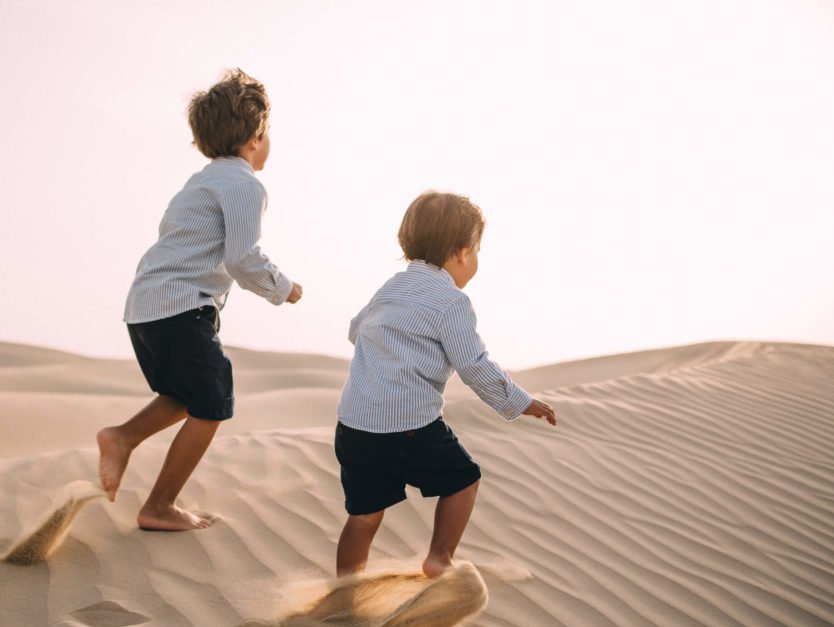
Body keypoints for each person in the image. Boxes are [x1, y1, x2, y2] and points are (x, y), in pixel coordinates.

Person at [97, 69, 302, 531]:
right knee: (213, 403)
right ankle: (159, 506)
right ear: (254, 138)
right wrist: (282, 287)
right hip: (181, 307)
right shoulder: (245, 185)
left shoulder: (198, 183)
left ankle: (123, 437)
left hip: (145, 307)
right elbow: (242, 258)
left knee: (184, 396)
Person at [334, 191, 555, 577]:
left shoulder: (390, 287)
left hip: (354, 427)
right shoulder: (451, 302)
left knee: (364, 516)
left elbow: (357, 331)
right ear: (463, 252)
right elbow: (474, 365)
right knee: (464, 481)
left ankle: (345, 588)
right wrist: (520, 402)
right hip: (409, 427)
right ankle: (439, 559)